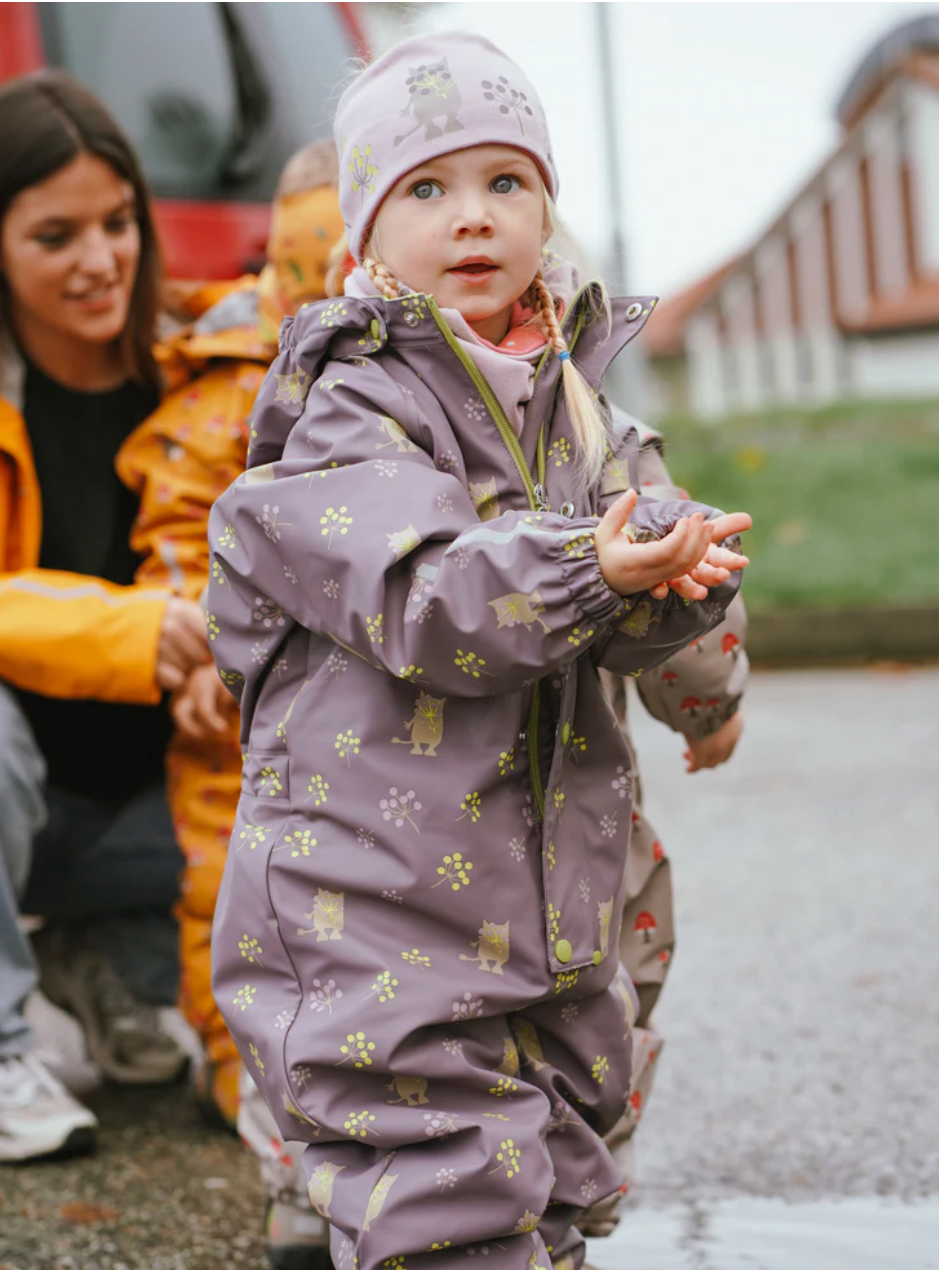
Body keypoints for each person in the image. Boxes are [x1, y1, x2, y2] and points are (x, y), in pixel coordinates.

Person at [206, 32, 750, 1270]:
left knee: (557, 1156)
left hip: (549, 891)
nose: (474, 218)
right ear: (364, 235)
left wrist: (690, 623)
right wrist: (595, 567)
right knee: (441, 1180)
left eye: (508, 183)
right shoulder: (351, 406)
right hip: (381, 891)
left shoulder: (586, 403)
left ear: (549, 211)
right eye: (428, 188)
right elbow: (428, 594)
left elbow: (647, 545)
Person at [116, 139, 348, 1135]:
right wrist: (202, 648)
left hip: (378, 704)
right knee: (227, 879)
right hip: (241, 712)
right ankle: (242, 1064)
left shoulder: (446, 376)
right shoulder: (224, 389)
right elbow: (176, 530)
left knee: (373, 898)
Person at [0, 72, 200, 1162]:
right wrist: (129, 630)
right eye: (55, 234)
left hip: (155, 802)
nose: (100, 260)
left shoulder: (207, 368)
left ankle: (111, 957)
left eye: (119, 223)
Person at [578, 417, 749, 1238]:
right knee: (600, 981)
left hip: (370, 806)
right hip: (566, 791)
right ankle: (571, 1206)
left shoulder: (324, 395)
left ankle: (311, 1196)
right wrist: (707, 706)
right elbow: (678, 562)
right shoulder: (582, 413)